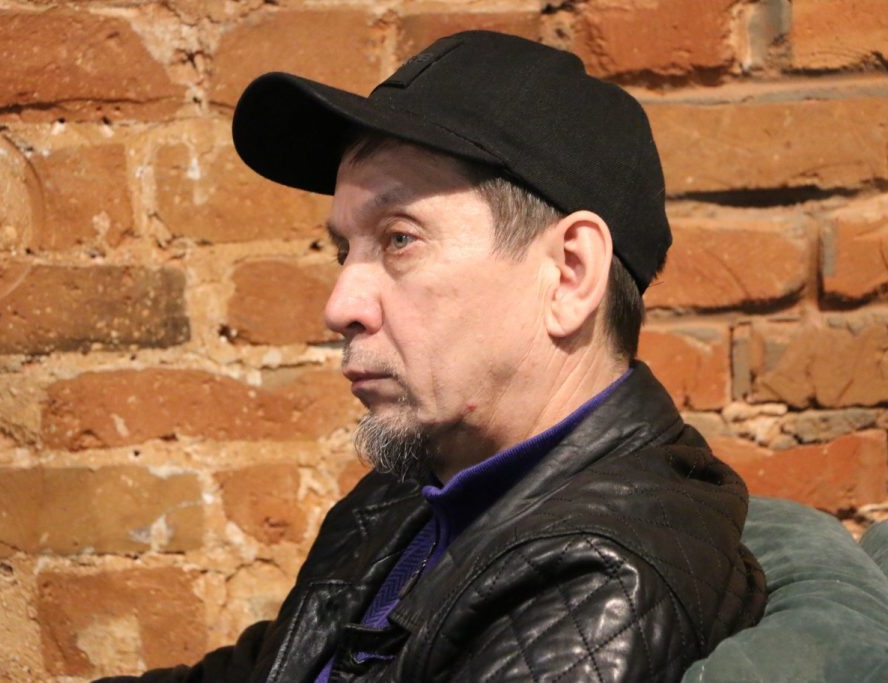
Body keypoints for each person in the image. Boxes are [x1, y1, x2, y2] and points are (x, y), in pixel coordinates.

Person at [98, 30, 766, 683]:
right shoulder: (424, 487)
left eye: (399, 240)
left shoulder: (601, 583)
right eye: (345, 251)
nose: (341, 305)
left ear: (569, 274)